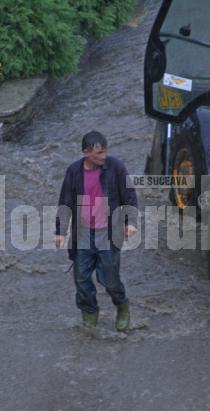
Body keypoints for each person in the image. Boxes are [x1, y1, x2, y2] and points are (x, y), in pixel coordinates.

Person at [54, 131, 138, 331]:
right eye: (98, 153)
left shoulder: (115, 167)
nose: (103, 157)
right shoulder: (74, 171)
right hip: (83, 233)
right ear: (85, 152)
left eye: (105, 152)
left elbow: (129, 195)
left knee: (109, 279)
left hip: (108, 232)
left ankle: (122, 307)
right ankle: (90, 315)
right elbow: (65, 200)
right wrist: (60, 230)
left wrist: (130, 222)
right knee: (81, 279)